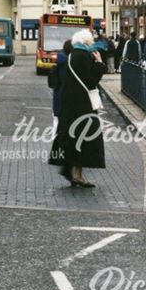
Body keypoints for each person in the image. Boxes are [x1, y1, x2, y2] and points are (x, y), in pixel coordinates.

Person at [54, 28, 106, 188]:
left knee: (73, 138)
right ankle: (77, 174)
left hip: (70, 104)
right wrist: (99, 64)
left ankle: (70, 169)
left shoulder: (71, 56)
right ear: (86, 42)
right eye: (91, 42)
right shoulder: (84, 57)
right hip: (83, 105)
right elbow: (91, 80)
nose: (93, 44)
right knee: (84, 139)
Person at [49, 39, 73, 139]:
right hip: (68, 100)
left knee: (58, 122)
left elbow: (53, 83)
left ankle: (57, 141)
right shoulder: (70, 64)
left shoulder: (59, 61)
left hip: (58, 97)